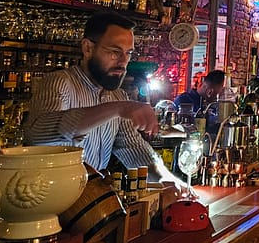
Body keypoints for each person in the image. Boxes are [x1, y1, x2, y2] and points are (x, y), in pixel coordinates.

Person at [23, 11, 180, 185]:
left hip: (94, 199)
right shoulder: (60, 82)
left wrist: (170, 182)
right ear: (88, 48)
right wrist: (118, 109)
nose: (123, 61)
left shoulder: (117, 96)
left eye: (128, 53)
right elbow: (38, 135)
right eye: (115, 52)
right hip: (50, 196)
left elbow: (135, 151)